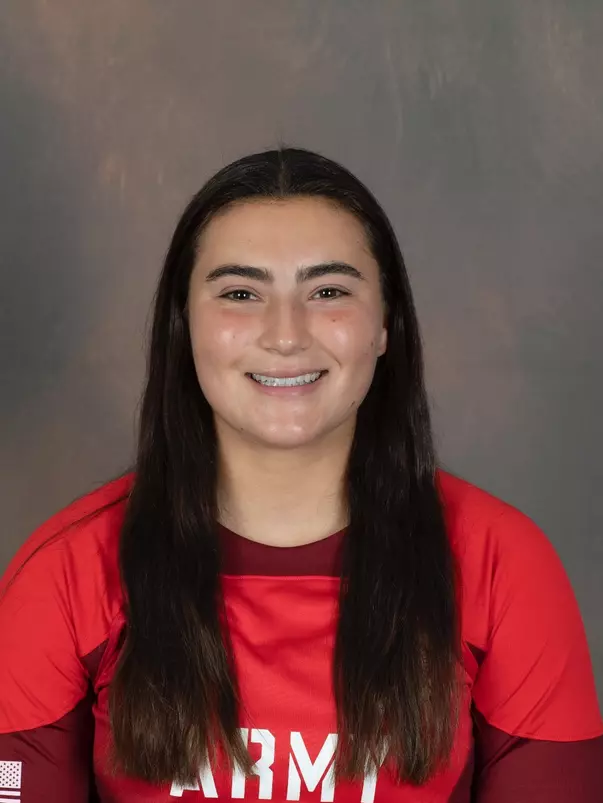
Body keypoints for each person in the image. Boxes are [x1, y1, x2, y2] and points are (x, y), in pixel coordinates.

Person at [0, 147, 601, 803]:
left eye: (328, 292)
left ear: (384, 326)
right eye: (239, 293)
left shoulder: (500, 563)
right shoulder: (64, 572)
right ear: (183, 327)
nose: (284, 334)